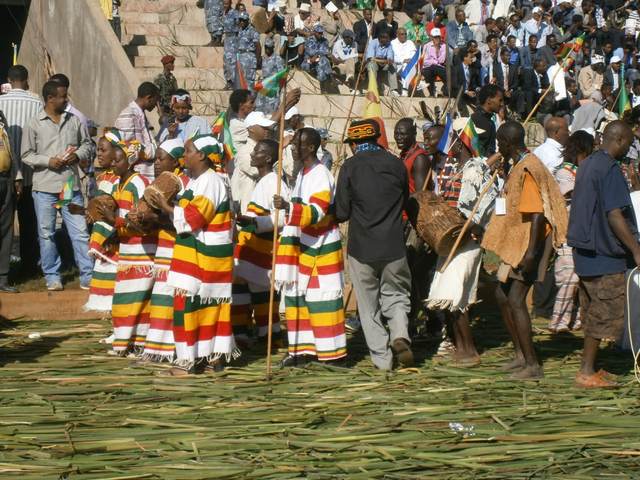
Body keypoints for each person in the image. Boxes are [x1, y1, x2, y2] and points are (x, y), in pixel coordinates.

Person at [482, 121, 568, 380]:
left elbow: (537, 215)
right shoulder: (518, 166)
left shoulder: (529, 168)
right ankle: (521, 355)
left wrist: (531, 254)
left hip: (530, 245)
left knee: (516, 299)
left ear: (508, 143)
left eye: (500, 143)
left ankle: (532, 364)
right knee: (501, 294)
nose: (498, 147)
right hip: (519, 243)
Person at [150, 135, 237, 375]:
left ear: (202, 155)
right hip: (199, 257)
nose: (183, 155)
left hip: (204, 260)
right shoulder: (198, 181)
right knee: (203, 311)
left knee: (191, 309)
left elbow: (195, 217)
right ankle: (208, 360)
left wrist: (166, 206)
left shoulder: (210, 181)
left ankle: (187, 363)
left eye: (188, 150)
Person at [336, 118, 414, 370]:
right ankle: (400, 333)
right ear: (377, 137)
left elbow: (342, 212)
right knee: (397, 295)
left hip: (361, 249)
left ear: (355, 143)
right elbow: (404, 201)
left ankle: (383, 361)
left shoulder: (349, 167)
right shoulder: (396, 164)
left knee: (369, 307)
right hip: (393, 246)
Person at [568, 121, 640, 388]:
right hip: (604, 252)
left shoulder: (587, 164)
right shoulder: (609, 169)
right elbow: (614, 215)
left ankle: (592, 365)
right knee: (602, 311)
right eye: (629, 143)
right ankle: (586, 371)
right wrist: (635, 249)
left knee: (591, 310)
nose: (629, 149)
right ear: (619, 140)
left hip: (585, 249)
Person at [426, 122, 500, 365]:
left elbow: (483, 208)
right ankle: (458, 345)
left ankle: (468, 350)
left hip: (466, 240)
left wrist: (474, 225)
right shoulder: (454, 168)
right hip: (449, 239)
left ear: (460, 142)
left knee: (456, 295)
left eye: (452, 139)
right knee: (445, 296)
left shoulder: (475, 170)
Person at [273, 128, 346, 366]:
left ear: (311, 148)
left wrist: (287, 206)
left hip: (321, 247)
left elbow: (316, 212)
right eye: (293, 144)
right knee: (297, 298)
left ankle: (332, 354)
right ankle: (303, 350)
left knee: (322, 299)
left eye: (296, 144)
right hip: (300, 248)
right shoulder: (302, 174)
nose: (292, 148)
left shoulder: (321, 174)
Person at [21, 80, 93, 292]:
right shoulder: (34, 123)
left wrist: (77, 156)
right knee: (46, 233)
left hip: (69, 185)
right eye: (62, 96)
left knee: (79, 231)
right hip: (44, 186)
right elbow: (26, 155)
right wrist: (48, 161)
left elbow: (87, 145)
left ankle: (87, 274)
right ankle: (52, 275)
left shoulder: (73, 120)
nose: (66, 99)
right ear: (50, 98)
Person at [97, 138, 157, 355]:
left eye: (118, 158)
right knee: (128, 300)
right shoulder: (120, 183)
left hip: (142, 251)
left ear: (129, 161)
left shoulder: (138, 183)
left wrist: (115, 222)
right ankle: (129, 343)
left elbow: (144, 221)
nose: (113, 162)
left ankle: (133, 344)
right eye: (113, 158)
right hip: (129, 251)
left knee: (134, 301)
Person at [232, 139, 290, 347]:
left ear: (267, 158)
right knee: (240, 290)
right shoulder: (262, 181)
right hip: (249, 250)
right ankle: (242, 334)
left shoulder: (275, 183)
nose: (252, 153)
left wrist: (253, 221)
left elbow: (283, 217)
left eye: (257, 151)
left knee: (263, 296)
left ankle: (270, 338)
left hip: (262, 253)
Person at [139, 139, 190, 362]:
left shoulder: (185, 183)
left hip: (178, 249)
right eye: (155, 158)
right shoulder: (164, 184)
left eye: (162, 158)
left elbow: (186, 222)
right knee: (161, 298)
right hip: (164, 248)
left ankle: (170, 349)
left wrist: (157, 218)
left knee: (171, 297)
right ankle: (157, 347)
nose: (156, 163)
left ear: (176, 160)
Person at [0, 65, 42, 281]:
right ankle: (28, 267)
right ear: (27, 81)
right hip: (29, 175)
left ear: (9, 79)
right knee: (28, 223)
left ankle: (4, 271)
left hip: (5, 174)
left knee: (3, 225)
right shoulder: (37, 104)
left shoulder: (0, 102)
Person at [549, 130, 594, 333]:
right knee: (568, 277)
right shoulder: (564, 173)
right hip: (566, 231)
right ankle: (558, 321)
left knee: (578, 277)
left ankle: (574, 320)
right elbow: (577, 194)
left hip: (579, 232)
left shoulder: (576, 171)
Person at [395, 119, 433, 324]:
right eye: (397, 133)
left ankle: (422, 317)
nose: (399, 137)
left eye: (403, 133)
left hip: (413, 221)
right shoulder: (404, 156)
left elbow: (420, 196)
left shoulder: (419, 159)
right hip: (402, 219)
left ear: (413, 134)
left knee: (413, 272)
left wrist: (417, 227)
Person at [84, 129, 122, 314]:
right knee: (102, 273)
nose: (99, 154)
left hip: (114, 240)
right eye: (98, 150)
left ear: (116, 152)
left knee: (113, 277)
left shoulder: (120, 179)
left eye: (103, 150)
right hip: (102, 238)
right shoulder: (103, 177)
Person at [231, 111, 276, 214]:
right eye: (263, 127)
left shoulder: (265, 150)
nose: (267, 130)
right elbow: (260, 172)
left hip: (263, 208)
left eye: (267, 127)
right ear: (251, 129)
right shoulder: (245, 152)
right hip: (248, 210)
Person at [114, 82, 160, 180]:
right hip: (136, 176)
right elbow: (126, 148)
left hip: (145, 175)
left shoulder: (140, 114)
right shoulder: (129, 114)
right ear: (149, 98)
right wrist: (152, 151)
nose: (156, 105)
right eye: (155, 101)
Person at [255, 38, 286, 115]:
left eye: (269, 47)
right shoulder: (264, 58)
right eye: (266, 47)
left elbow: (282, 74)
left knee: (271, 110)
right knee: (259, 108)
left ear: (273, 47)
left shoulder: (277, 58)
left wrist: (278, 87)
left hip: (272, 86)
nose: (267, 49)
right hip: (263, 86)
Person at [471, 84, 503, 155]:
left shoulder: (489, 121)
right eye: (500, 100)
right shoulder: (478, 120)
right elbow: (479, 152)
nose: (501, 104)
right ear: (489, 100)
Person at [366, 30, 398, 96]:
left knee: (393, 65)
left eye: (388, 38)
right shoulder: (373, 43)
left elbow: (390, 59)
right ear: (380, 39)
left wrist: (386, 61)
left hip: (383, 64)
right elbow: (370, 58)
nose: (388, 40)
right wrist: (383, 61)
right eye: (385, 38)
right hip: (374, 63)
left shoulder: (389, 44)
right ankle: (373, 88)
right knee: (371, 65)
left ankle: (393, 90)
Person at [236, 11, 261, 87]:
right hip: (240, 56)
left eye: (244, 20)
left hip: (249, 57)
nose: (242, 22)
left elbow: (258, 46)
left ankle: (250, 98)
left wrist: (257, 60)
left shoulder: (252, 31)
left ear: (247, 20)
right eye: (240, 20)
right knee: (240, 81)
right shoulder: (240, 31)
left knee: (249, 82)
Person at [392, 27, 417, 96]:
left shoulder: (410, 43)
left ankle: (404, 89)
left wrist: (407, 61)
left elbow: (413, 55)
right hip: (397, 66)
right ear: (397, 35)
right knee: (405, 65)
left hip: (409, 66)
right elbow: (392, 58)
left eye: (405, 34)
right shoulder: (393, 43)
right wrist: (403, 60)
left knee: (407, 65)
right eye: (402, 34)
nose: (404, 36)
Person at [422, 28, 447, 98]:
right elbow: (425, 61)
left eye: (438, 37)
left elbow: (442, 60)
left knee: (446, 74)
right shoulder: (427, 46)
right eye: (435, 37)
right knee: (427, 72)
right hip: (429, 67)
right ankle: (432, 93)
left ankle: (444, 90)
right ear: (432, 37)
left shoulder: (444, 46)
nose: (437, 39)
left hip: (439, 67)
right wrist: (435, 62)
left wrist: (437, 48)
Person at [153, 55, 178, 121]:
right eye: (171, 63)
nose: (173, 65)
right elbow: (155, 95)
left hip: (172, 109)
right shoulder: (159, 78)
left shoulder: (172, 78)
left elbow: (176, 93)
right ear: (166, 64)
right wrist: (159, 109)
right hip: (163, 109)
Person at [222, 0, 240, 90]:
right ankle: (228, 81)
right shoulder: (222, 12)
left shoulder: (235, 13)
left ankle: (233, 82)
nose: (225, 4)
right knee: (226, 62)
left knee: (232, 61)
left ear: (230, 3)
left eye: (227, 2)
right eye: (224, 2)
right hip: (227, 39)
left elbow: (240, 25)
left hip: (233, 39)